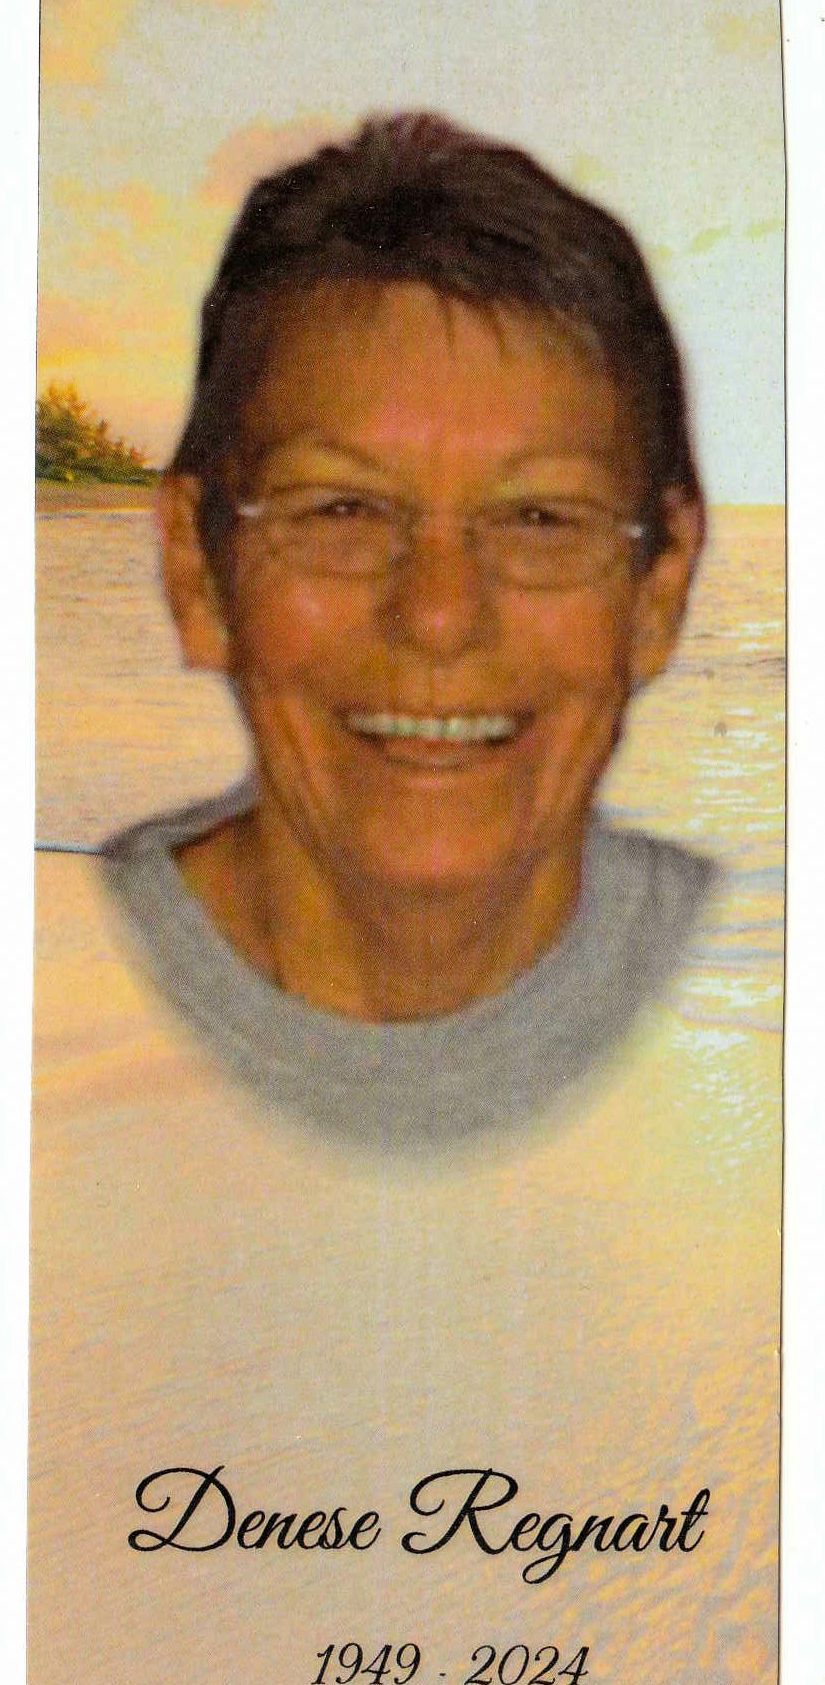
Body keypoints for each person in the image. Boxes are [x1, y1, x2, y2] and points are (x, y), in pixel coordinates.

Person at [101, 112, 716, 1146]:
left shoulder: (766, 1003)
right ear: (196, 572)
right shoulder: (51, 982)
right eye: (341, 510)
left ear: (658, 591)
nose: (438, 615)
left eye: (538, 518)